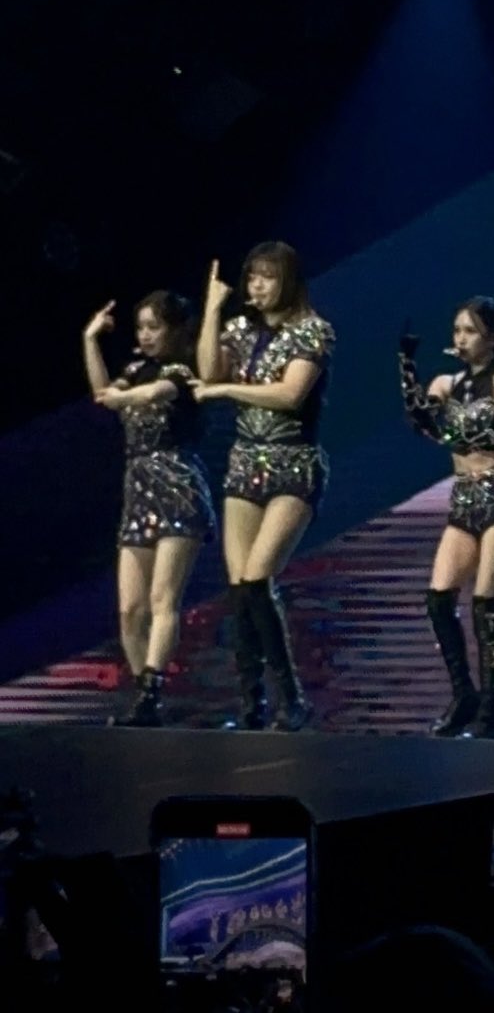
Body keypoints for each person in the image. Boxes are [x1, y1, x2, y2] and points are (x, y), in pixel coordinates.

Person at [195, 243, 334, 731]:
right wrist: (213, 310)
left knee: (258, 577)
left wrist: (226, 390)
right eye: (251, 276)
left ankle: (292, 698)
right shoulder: (240, 329)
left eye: (267, 277)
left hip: (293, 463)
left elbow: (290, 394)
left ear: (287, 281)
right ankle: (251, 700)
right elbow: (208, 370)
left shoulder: (313, 330)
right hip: (244, 465)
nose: (256, 285)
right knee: (240, 590)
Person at [398, 296, 494, 738]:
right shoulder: (445, 381)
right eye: (457, 331)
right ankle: (464, 694)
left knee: (486, 604)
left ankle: (489, 711)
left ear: (492, 339)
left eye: (470, 331)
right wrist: (406, 367)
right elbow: (423, 423)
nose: (460, 339)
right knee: (439, 598)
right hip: (464, 498)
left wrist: (451, 423)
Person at [83, 292, 215, 725]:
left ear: (174, 330)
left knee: (163, 598)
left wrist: (121, 399)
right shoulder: (134, 370)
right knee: (130, 610)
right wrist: (90, 341)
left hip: (176, 488)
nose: (145, 335)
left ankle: (151, 693)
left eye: (153, 327)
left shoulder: (182, 372)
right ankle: (145, 695)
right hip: (138, 492)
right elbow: (104, 393)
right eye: (140, 327)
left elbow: (153, 395)